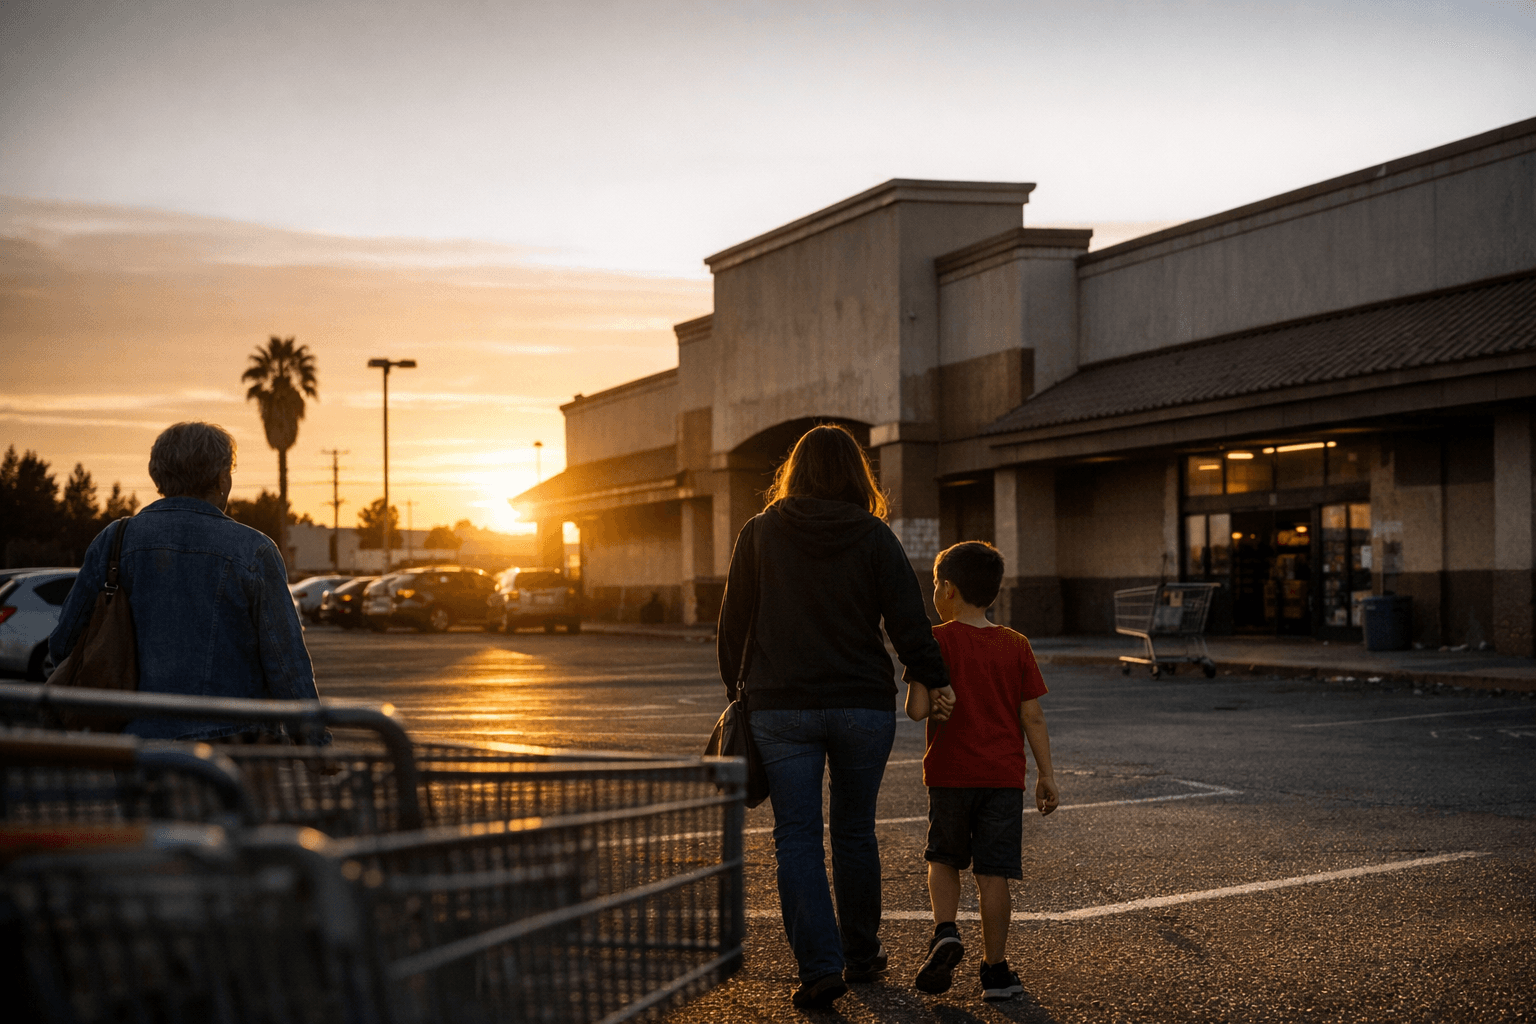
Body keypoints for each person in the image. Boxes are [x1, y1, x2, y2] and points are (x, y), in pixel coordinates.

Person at [717, 424, 949, 1011]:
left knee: (796, 836)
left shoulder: (760, 533)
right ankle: (862, 955)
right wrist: (936, 678)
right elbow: (907, 620)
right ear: (856, 474)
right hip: (861, 704)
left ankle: (820, 968)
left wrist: (739, 690)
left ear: (794, 473)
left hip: (780, 705)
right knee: (854, 831)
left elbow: (732, 623)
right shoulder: (874, 535)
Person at [50, 421, 318, 739]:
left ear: (158, 478)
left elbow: (64, 643)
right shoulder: (255, 550)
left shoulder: (115, 540)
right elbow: (285, 659)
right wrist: (313, 738)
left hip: (141, 744)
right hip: (237, 741)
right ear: (222, 479)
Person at [904, 540, 1059, 1002]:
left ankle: (946, 931)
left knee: (944, 858)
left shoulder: (933, 641)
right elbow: (1032, 716)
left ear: (947, 589)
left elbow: (914, 710)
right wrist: (1045, 774)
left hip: (950, 773)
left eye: (935, 585)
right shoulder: (1016, 644)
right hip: (1003, 778)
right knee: (994, 873)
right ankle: (995, 972)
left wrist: (935, 698)